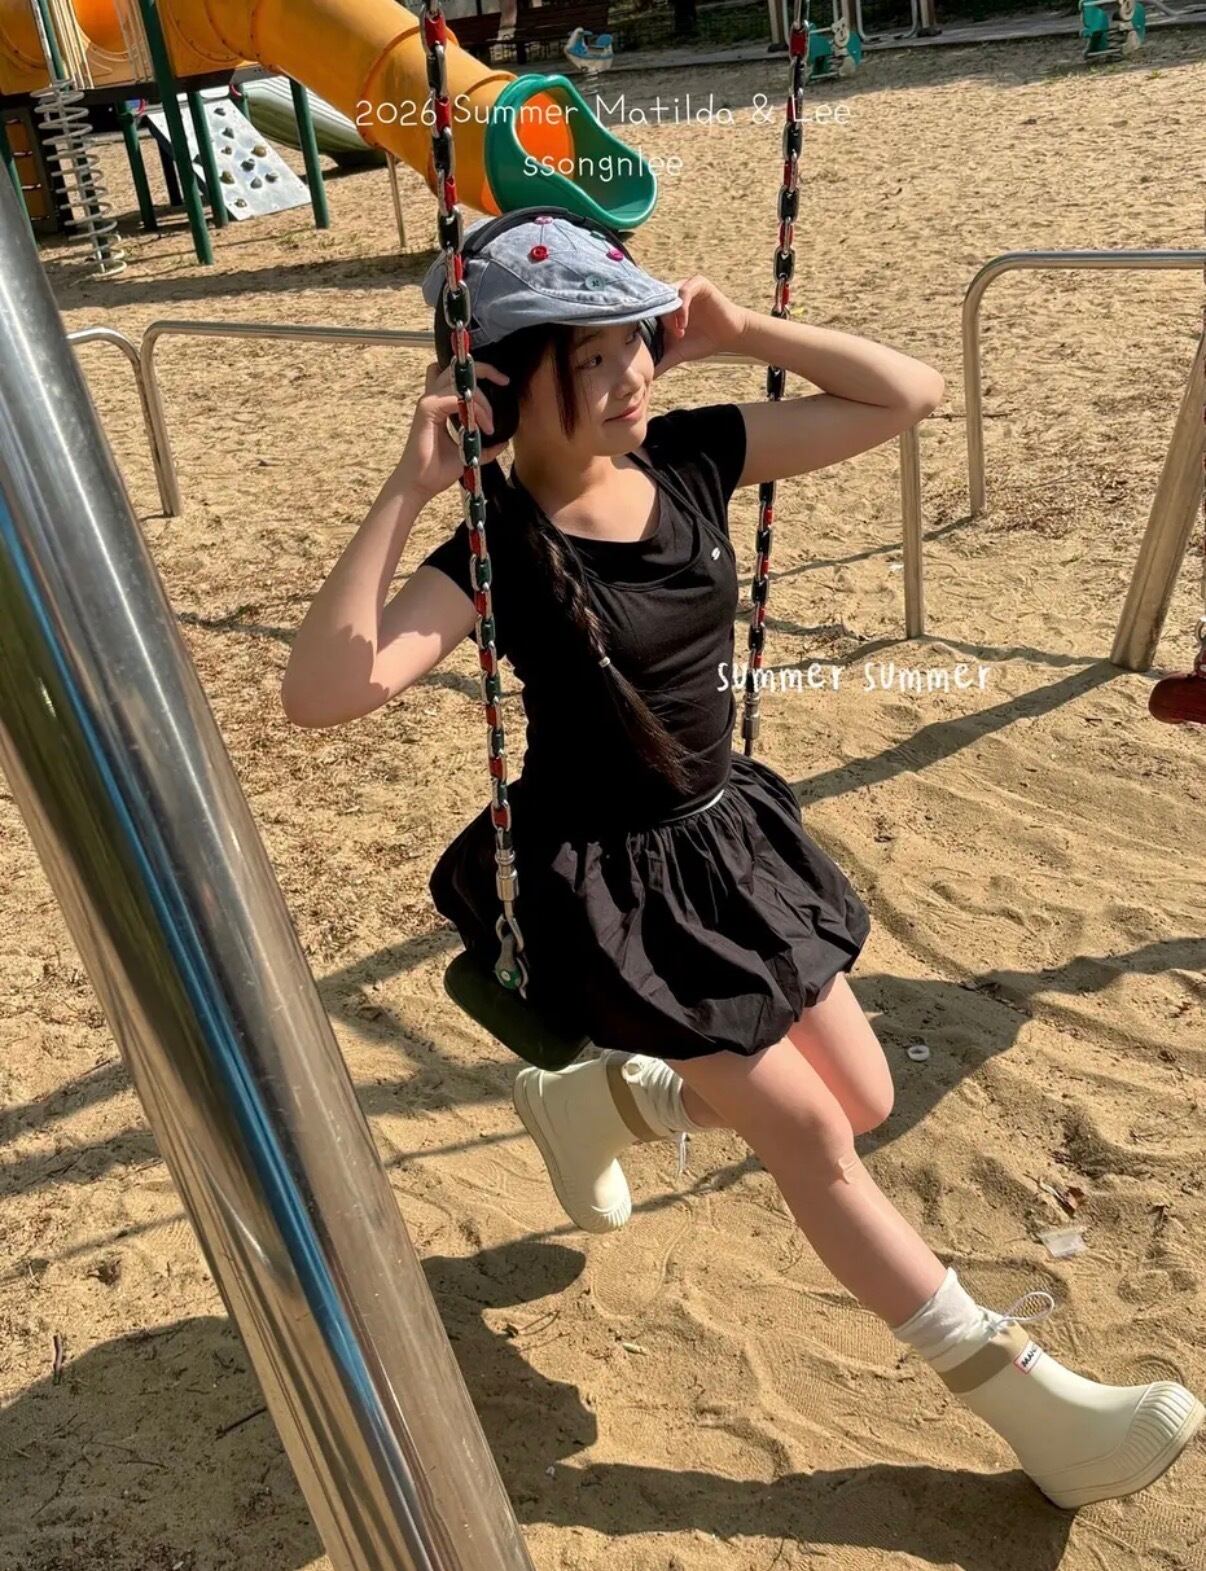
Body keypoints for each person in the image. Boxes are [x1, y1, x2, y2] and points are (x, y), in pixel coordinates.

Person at [281, 211, 1203, 1511]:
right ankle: (1032, 1406)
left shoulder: (693, 453)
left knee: (861, 1097)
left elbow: (906, 396)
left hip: (725, 837)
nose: (631, 375)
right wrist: (407, 489)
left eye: (634, 341)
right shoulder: (492, 547)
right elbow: (324, 693)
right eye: (588, 359)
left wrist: (740, 330)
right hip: (608, 884)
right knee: (813, 1134)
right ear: (495, 383)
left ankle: (601, 1106)